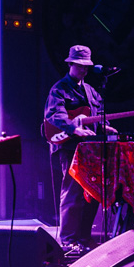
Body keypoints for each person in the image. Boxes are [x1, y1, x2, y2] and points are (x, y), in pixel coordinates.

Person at [43, 44, 115, 255]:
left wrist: (104, 125)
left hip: (90, 148)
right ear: (71, 64)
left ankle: (84, 237)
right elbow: (54, 115)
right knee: (73, 192)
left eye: (86, 66)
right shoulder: (59, 88)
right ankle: (68, 240)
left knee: (92, 193)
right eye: (80, 66)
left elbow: (96, 115)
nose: (84, 70)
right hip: (69, 146)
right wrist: (75, 129)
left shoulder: (92, 91)